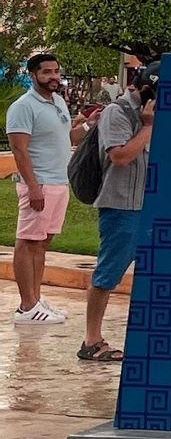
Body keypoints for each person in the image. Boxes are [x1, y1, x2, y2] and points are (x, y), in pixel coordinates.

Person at [78, 65, 157, 363]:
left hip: (149, 205)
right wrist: (148, 126)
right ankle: (91, 339)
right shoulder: (117, 112)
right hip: (121, 205)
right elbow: (121, 156)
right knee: (108, 273)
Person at [7, 50, 85, 326]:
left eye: (56, 71)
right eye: (47, 72)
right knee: (27, 242)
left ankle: (36, 300)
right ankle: (26, 305)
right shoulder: (23, 107)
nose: (54, 77)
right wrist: (33, 187)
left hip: (58, 182)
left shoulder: (58, 102)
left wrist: (85, 127)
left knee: (42, 243)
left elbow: (66, 138)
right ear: (33, 75)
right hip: (38, 184)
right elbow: (19, 149)